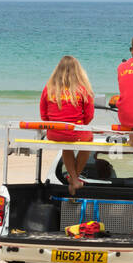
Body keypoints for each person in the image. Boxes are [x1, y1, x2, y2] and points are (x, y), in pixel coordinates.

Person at [40, 55, 95, 194]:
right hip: (74, 131)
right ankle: (74, 178)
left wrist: (52, 125)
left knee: (66, 145)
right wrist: (81, 125)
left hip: (54, 132)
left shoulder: (49, 88)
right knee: (89, 139)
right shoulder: (82, 89)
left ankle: (74, 179)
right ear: (78, 71)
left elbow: (43, 114)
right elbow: (89, 115)